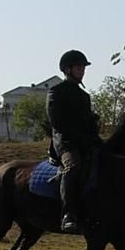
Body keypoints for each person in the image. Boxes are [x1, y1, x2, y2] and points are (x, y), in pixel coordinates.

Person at [46, 49, 101, 233]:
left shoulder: (84, 96)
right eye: (79, 67)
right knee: (74, 165)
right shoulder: (56, 91)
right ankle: (68, 214)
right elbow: (58, 122)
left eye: (83, 67)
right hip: (65, 142)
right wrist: (81, 138)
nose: (82, 70)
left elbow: (87, 123)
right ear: (67, 69)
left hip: (84, 142)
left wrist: (95, 136)